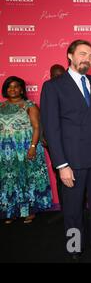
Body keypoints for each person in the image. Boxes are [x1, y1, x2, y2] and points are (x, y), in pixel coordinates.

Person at [40, 39, 91, 261]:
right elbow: (51, 129)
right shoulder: (53, 86)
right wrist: (61, 165)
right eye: (82, 54)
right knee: (72, 209)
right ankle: (74, 247)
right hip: (71, 160)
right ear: (70, 56)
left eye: (90, 55)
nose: (87, 59)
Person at [0, 76, 52, 224]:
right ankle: (10, 211)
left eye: (16, 86)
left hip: (26, 147)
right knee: (9, 180)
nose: (13, 89)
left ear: (22, 89)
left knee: (27, 179)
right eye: (9, 87)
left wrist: (33, 147)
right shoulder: (1, 107)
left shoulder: (30, 105)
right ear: (5, 90)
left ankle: (28, 211)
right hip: (5, 151)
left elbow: (36, 128)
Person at [44, 64, 66, 224]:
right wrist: (45, 137)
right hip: (56, 144)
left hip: (73, 143)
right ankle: (64, 209)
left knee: (79, 177)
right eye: (54, 75)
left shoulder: (71, 93)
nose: (57, 78)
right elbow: (45, 118)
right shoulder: (49, 91)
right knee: (60, 176)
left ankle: (82, 208)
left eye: (60, 75)